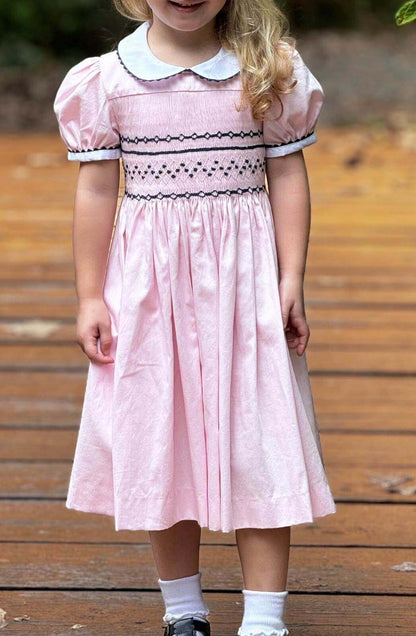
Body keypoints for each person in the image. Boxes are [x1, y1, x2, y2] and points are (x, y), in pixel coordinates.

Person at [53, 1, 337, 635]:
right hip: (152, 292)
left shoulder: (267, 69)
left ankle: (264, 621)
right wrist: (90, 296)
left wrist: (290, 278)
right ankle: (183, 610)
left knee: (258, 437)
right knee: (160, 436)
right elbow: (98, 189)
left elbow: (287, 172)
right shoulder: (106, 80)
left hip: (245, 286)